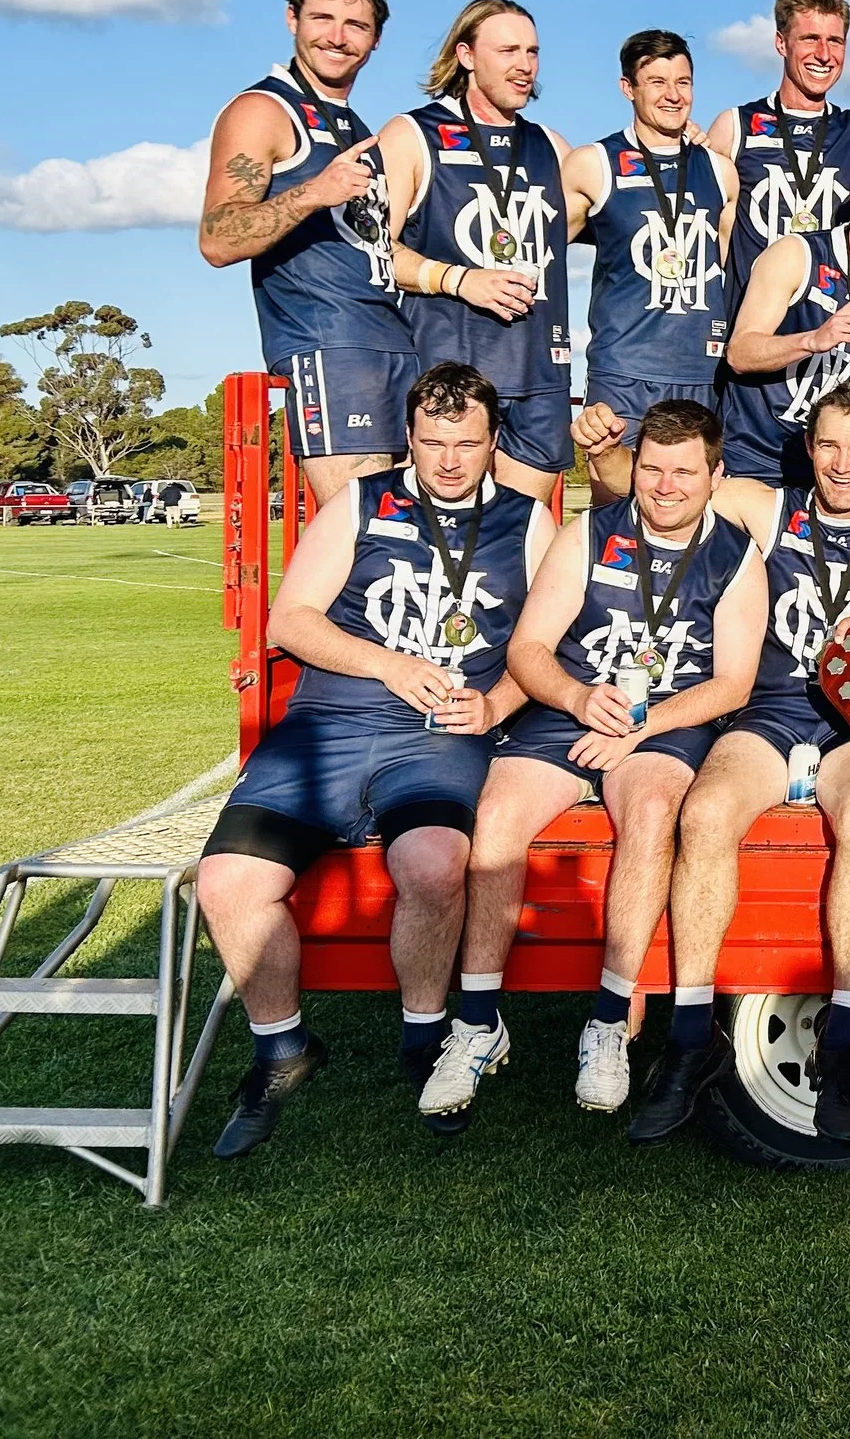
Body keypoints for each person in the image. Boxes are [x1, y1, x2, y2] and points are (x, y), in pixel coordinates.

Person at [196, 364, 552, 1156]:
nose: (449, 460)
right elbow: (291, 619)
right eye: (433, 442)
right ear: (409, 439)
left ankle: (425, 1036)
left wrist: (497, 705)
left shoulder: (526, 521)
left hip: (437, 734)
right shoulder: (362, 501)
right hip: (330, 723)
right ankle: (281, 1046)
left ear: (494, 440)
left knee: (433, 863)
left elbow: (550, 644)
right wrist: (387, 664)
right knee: (227, 882)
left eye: (467, 443)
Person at [425, 399, 766, 1137]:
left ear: (716, 476)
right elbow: (528, 649)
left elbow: (733, 684)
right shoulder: (588, 533)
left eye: (685, 472)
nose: (666, 486)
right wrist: (580, 699)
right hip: (573, 707)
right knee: (496, 816)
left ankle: (609, 1019)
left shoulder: (737, 555)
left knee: (652, 809)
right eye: (652, 469)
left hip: (667, 717)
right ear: (633, 468)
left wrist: (639, 725)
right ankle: (478, 1022)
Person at [659, 384, 850, 1146]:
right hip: (775, 710)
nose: (843, 463)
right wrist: (607, 453)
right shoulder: (770, 507)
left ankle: (842, 1040)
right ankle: (691, 1034)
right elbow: (671, 482)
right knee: (705, 813)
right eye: (830, 444)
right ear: (809, 447)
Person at [197, 0, 411, 505]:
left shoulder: (353, 124)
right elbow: (217, 239)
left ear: (376, 39)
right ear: (292, 19)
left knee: (405, 531)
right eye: (322, 18)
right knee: (360, 529)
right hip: (329, 345)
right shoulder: (263, 109)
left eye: (355, 25)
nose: (337, 37)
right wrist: (313, 192)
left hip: (393, 343)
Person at [705, 0, 850, 459]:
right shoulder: (736, 126)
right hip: (753, 357)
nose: (824, 54)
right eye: (810, 39)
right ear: (780, 42)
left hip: (832, 342)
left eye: (835, 41)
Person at [379, 0, 576, 500]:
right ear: (466, 55)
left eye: (532, 51)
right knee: (439, 534)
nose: (525, 65)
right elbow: (374, 250)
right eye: (508, 50)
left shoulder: (553, 147)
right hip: (448, 373)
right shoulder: (412, 134)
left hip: (538, 375)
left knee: (520, 535)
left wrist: (683, 143)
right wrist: (460, 279)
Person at [562, 30, 739, 500]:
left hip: (701, 372)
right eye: (657, 82)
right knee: (614, 513)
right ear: (628, 88)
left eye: (683, 82)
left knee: (690, 513)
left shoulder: (720, 171)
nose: (673, 94)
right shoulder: (593, 163)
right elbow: (540, 252)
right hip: (624, 369)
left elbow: (726, 268)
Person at [718, 151, 850, 484]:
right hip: (752, 460)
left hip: (827, 475)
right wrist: (812, 341)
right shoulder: (795, 255)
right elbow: (739, 354)